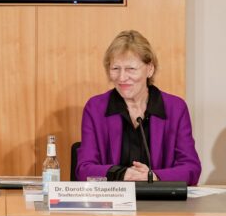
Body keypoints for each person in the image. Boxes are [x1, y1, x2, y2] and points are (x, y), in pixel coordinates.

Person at [75, 30, 200, 185]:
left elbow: (191, 169)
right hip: (110, 205)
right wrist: (123, 174)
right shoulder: (95, 108)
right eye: (115, 69)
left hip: (162, 205)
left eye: (131, 69)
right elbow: (84, 170)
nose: (121, 77)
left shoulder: (175, 108)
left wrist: (153, 176)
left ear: (150, 69)